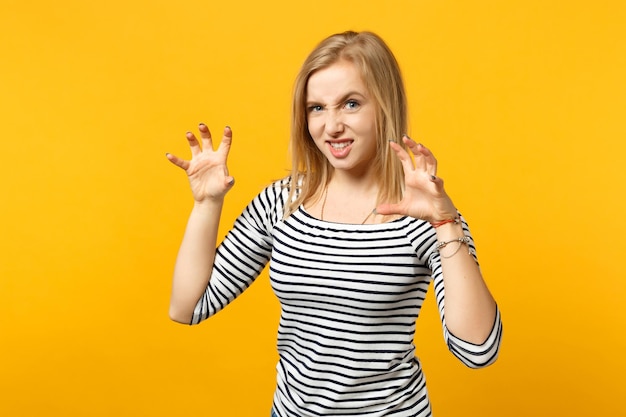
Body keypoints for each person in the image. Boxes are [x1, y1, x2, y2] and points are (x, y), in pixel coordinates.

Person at [166, 30, 502, 417]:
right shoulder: (283, 202)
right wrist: (207, 204)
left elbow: (478, 350)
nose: (332, 126)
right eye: (317, 108)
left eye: (351, 104)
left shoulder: (422, 212)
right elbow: (187, 307)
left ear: (385, 106)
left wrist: (446, 223)